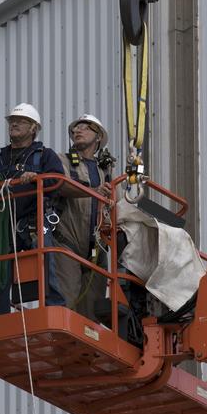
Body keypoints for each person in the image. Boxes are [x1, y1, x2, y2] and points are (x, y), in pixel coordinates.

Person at [0, 103, 67, 317]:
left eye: (20, 121)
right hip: (4, 225)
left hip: (33, 221)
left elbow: (57, 180)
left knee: (45, 260)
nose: (13, 124)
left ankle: (54, 308)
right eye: (11, 120)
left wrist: (36, 178)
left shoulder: (43, 156)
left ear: (33, 128)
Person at [54, 114, 116, 319]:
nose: (77, 130)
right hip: (67, 241)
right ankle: (61, 344)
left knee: (92, 311)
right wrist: (93, 191)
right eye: (75, 128)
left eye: (85, 127)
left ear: (98, 137)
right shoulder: (62, 161)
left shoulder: (106, 172)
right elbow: (59, 184)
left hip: (95, 247)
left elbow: (118, 207)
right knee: (66, 300)